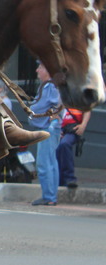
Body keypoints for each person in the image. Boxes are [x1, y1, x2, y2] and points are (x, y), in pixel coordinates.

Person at [29, 61, 62, 206]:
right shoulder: (51, 86)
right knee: (51, 162)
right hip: (51, 127)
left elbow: (54, 105)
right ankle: (50, 196)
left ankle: (48, 197)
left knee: (44, 163)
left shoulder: (50, 86)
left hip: (47, 127)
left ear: (47, 70)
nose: (37, 70)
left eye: (40, 67)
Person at [57, 106, 90, 190]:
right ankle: (59, 180)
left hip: (73, 128)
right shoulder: (59, 95)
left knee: (65, 144)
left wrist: (83, 125)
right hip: (59, 128)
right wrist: (56, 128)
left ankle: (69, 178)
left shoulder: (79, 94)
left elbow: (87, 109)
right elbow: (54, 111)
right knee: (58, 150)